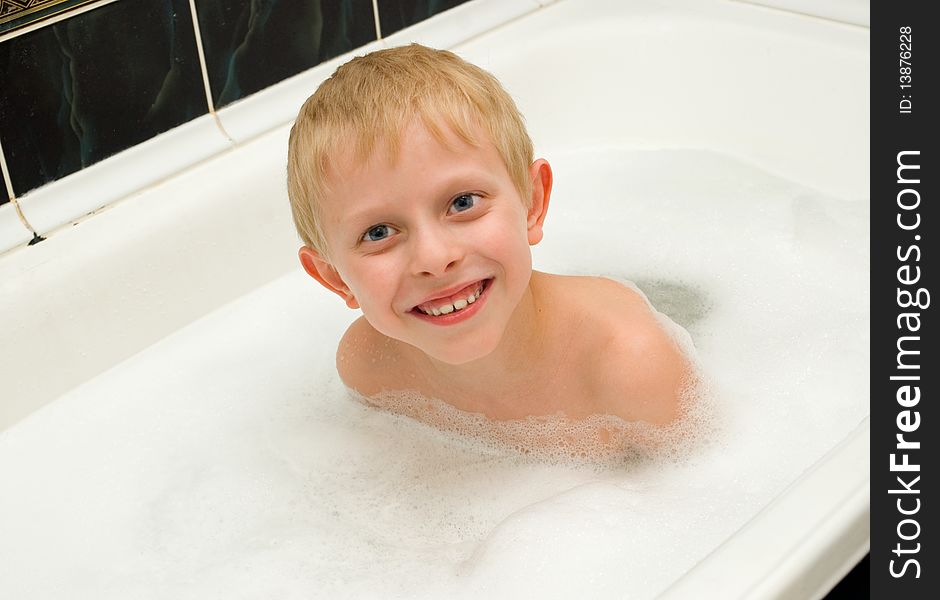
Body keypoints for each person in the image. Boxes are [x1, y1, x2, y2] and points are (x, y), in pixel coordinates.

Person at [286, 44, 689, 439]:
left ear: (532, 203)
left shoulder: (634, 366)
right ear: (335, 278)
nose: (435, 258)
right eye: (378, 233)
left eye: (462, 203)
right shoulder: (372, 371)